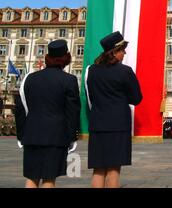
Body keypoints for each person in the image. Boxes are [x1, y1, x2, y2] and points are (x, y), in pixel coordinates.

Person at [15, 39, 80, 188]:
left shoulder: (30, 78)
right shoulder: (69, 80)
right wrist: (72, 137)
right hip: (56, 137)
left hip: (32, 135)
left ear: (48, 57)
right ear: (66, 58)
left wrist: (21, 134)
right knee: (49, 179)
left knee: (32, 177)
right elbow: (73, 112)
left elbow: (20, 108)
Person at [85, 31, 143, 188]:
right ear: (115, 51)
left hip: (98, 124)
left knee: (98, 169)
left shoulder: (91, 71)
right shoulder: (125, 71)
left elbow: (90, 97)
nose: (124, 53)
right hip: (118, 125)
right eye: (123, 50)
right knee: (113, 169)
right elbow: (137, 98)